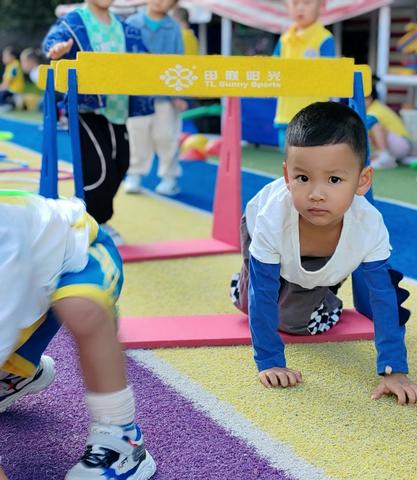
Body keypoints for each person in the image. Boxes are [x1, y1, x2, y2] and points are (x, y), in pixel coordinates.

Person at [230, 102, 417, 405]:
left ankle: (321, 285)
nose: (316, 193)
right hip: (263, 241)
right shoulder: (271, 218)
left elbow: (383, 298)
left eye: (334, 180)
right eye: (303, 178)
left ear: (362, 180)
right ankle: (247, 281)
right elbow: (262, 292)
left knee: (296, 324)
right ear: (286, 176)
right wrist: (270, 361)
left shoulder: (368, 226)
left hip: (318, 259)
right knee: (250, 301)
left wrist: (393, 369)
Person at [0, 194, 156, 479]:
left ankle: (122, 439)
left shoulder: (5, 233)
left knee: (81, 309)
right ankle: (16, 375)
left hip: (80, 253)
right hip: (28, 285)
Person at [42, 0, 154, 245]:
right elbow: (54, 38)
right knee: (97, 168)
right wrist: (55, 48)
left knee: (121, 164)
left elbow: (144, 59)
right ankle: (94, 222)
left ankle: (89, 217)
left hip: (118, 107)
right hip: (86, 106)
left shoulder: (125, 28)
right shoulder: (75, 21)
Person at [124, 0, 187, 196]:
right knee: (137, 135)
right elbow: (124, 58)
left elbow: (180, 62)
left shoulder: (173, 28)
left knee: (166, 136)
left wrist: (177, 94)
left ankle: (169, 177)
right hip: (138, 94)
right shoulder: (132, 23)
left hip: (165, 97)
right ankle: (134, 174)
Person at [273, 0, 336, 151]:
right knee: (289, 164)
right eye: (294, 3)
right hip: (285, 115)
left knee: (313, 163)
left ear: (321, 6)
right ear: (287, 7)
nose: (300, 8)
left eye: (307, 2)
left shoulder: (324, 38)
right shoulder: (284, 40)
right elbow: (272, 69)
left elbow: (330, 75)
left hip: (314, 117)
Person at [366, 78, 412, 169]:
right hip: (397, 144)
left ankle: (384, 156)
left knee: (375, 125)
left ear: (370, 98)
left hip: (402, 143)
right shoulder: (374, 107)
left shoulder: (374, 110)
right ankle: (384, 157)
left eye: (364, 99)